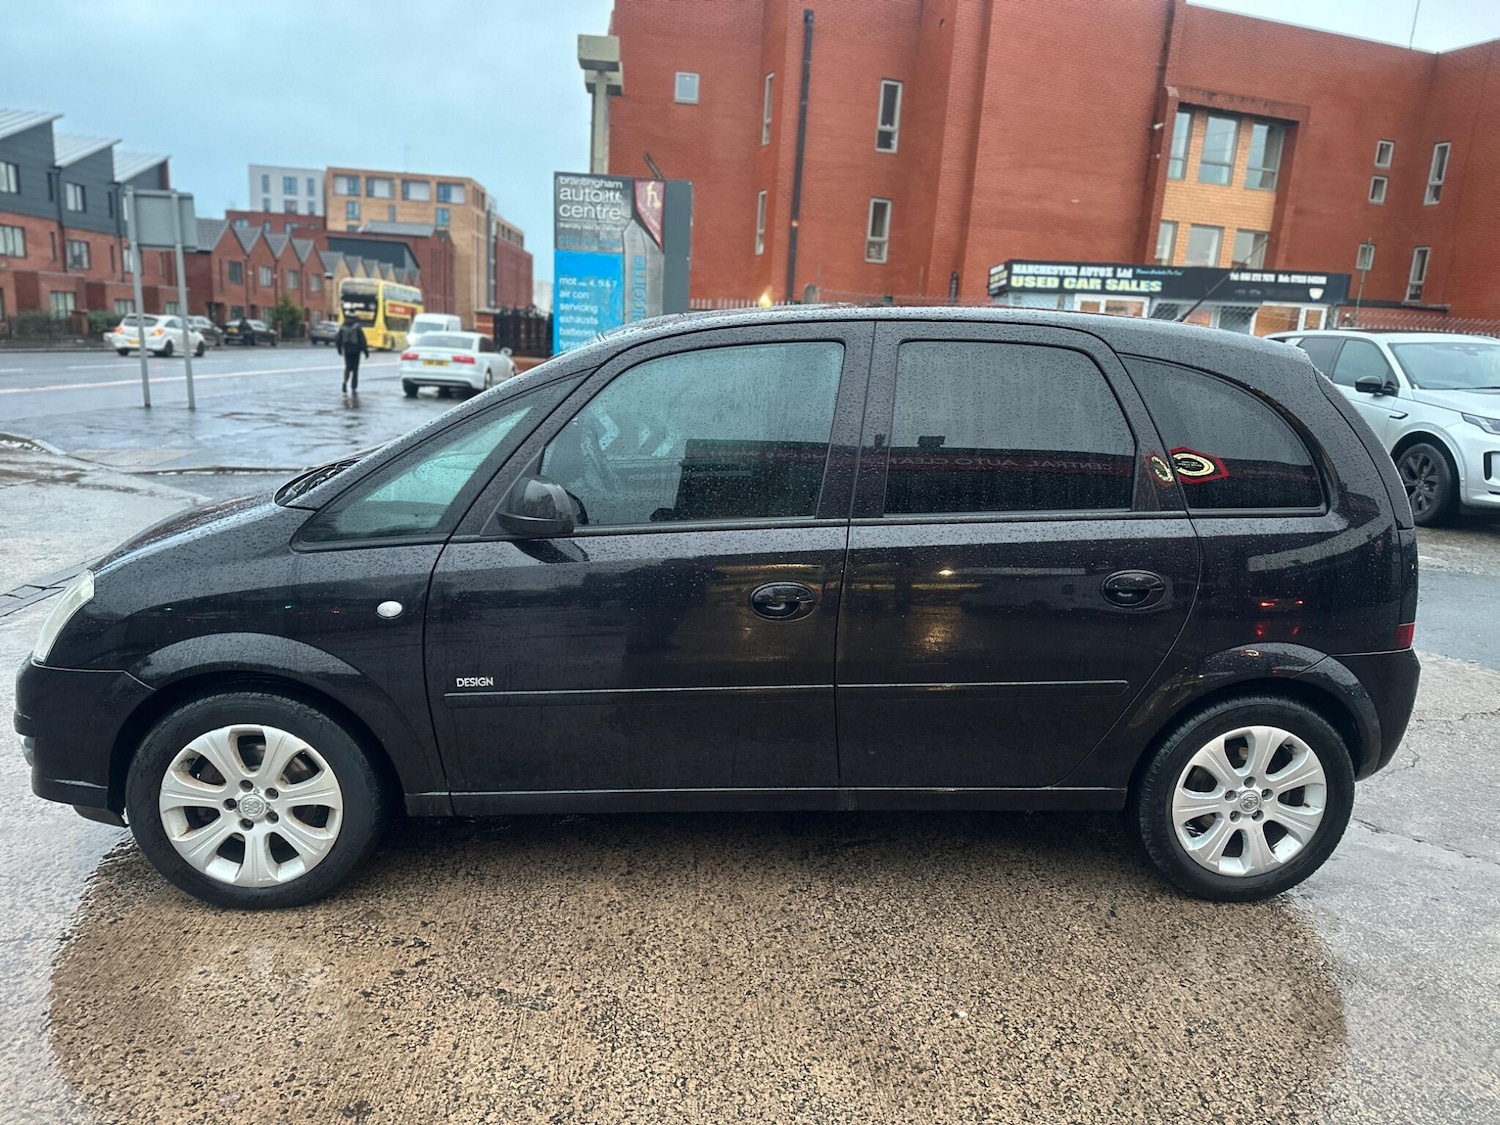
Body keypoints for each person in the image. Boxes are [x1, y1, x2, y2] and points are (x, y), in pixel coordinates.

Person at [336, 316, 369, 394]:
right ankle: (353, 387)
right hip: (356, 351)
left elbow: (338, 339)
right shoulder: (357, 328)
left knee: (347, 367)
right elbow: (362, 340)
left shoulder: (343, 327)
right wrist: (365, 351)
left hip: (347, 350)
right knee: (355, 369)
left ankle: (344, 382)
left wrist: (339, 349)